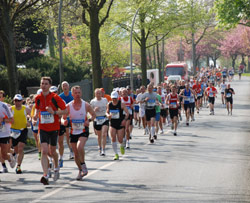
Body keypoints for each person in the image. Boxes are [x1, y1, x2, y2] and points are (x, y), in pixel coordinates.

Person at [33, 77, 67, 185]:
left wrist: (54, 112)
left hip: (53, 128)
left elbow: (65, 110)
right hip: (42, 128)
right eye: (42, 83)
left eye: (46, 84)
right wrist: (34, 118)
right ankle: (45, 174)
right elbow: (37, 111)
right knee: (44, 151)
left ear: (50, 85)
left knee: (52, 151)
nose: (43, 85)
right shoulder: (37, 98)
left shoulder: (55, 98)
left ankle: (56, 166)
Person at [62, 86, 95, 180]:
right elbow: (63, 117)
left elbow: (94, 115)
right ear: (72, 94)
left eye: (79, 93)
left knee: (79, 147)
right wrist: (63, 122)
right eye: (75, 93)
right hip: (73, 131)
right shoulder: (68, 106)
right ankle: (80, 170)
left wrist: (89, 120)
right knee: (76, 154)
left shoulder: (86, 105)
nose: (77, 95)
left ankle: (83, 164)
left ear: (81, 93)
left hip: (83, 130)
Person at [10, 94, 31, 174]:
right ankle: (14, 155)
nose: (17, 102)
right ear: (13, 101)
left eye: (19, 101)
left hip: (22, 130)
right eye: (15, 101)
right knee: (15, 150)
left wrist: (29, 121)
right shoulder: (10, 109)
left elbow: (31, 115)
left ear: (22, 101)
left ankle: (18, 166)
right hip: (13, 131)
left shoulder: (25, 109)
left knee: (21, 148)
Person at [106, 91, 129, 160]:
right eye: (113, 98)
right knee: (113, 138)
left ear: (118, 98)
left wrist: (124, 120)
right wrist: (108, 115)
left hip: (120, 123)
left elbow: (127, 113)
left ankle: (122, 145)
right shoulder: (109, 104)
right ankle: (116, 154)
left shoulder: (121, 104)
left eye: (115, 98)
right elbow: (106, 112)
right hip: (112, 123)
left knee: (120, 139)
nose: (114, 99)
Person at [90, 89, 109, 156]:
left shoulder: (105, 100)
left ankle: (103, 149)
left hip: (104, 118)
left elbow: (107, 108)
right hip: (97, 119)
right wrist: (94, 110)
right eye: (97, 93)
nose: (98, 95)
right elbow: (91, 112)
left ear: (101, 94)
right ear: (95, 94)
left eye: (99, 93)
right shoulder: (93, 101)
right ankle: (100, 147)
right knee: (99, 136)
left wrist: (108, 113)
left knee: (104, 134)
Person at [59, 81, 74, 160]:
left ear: (68, 87)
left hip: (73, 117)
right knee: (67, 134)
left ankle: (74, 148)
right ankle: (71, 150)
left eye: (66, 86)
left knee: (73, 134)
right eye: (63, 86)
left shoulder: (73, 94)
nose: (65, 87)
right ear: (62, 88)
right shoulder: (60, 96)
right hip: (65, 118)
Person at [0, 100, 16, 172]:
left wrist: (2, 119)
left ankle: (10, 157)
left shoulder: (4, 106)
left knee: (4, 155)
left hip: (4, 133)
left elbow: (12, 120)